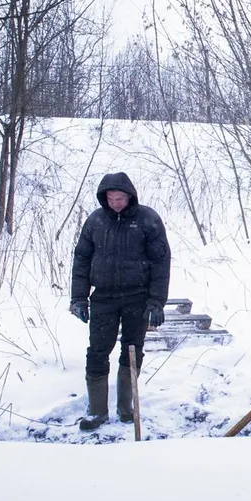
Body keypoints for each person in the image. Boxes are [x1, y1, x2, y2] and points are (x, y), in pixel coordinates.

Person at [70, 172, 171, 431]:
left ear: (130, 196)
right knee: (97, 351)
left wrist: (157, 301)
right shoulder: (95, 221)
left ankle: (126, 407)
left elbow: (161, 262)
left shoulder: (148, 219)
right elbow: (81, 259)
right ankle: (97, 411)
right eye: (111, 198)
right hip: (103, 296)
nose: (115, 202)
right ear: (104, 198)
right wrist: (79, 297)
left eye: (120, 197)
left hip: (137, 297)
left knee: (132, 350)